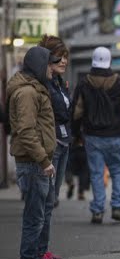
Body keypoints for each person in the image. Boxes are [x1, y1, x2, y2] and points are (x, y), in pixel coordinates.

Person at [7, 46, 61, 259]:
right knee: (34, 219)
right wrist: (44, 160)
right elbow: (27, 132)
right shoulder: (28, 93)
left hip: (35, 163)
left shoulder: (34, 89)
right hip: (32, 164)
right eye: (49, 64)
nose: (53, 68)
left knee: (36, 216)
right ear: (40, 65)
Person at [70, 47, 120, 224]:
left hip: (92, 136)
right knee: (117, 170)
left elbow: (76, 113)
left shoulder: (84, 83)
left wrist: (76, 134)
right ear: (109, 61)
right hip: (115, 135)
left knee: (96, 173)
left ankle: (98, 210)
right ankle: (117, 206)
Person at [38, 35, 72, 210]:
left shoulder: (60, 83)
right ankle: (43, 238)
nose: (64, 61)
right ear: (48, 58)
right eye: (59, 57)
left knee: (53, 198)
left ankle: (45, 238)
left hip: (64, 142)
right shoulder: (43, 84)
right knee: (47, 199)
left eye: (65, 57)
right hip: (52, 144)